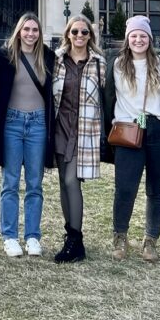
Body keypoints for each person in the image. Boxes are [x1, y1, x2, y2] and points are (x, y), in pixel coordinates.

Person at [102, 15, 160, 263]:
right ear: (128, 39)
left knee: (157, 190)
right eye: (134, 35)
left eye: (143, 35)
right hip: (129, 129)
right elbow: (107, 98)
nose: (138, 39)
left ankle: (150, 241)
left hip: (159, 129)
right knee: (125, 188)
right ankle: (120, 236)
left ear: (150, 38)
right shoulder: (115, 64)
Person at [0, 12, 55, 258]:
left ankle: (33, 236)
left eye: (35, 30)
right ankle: (9, 236)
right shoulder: (3, 57)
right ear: (18, 31)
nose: (30, 34)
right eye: (26, 29)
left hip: (37, 124)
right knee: (10, 182)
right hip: (11, 123)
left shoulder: (48, 57)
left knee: (35, 184)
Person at [52, 14, 106, 264]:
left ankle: (76, 239)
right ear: (68, 34)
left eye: (84, 32)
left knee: (73, 181)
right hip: (61, 127)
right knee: (64, 182)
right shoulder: (57, 61)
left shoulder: (99, 64)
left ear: (90, 36)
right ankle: (71, 237)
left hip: (85, 129)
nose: (80, 36)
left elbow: (108, 99)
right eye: (75, 32)